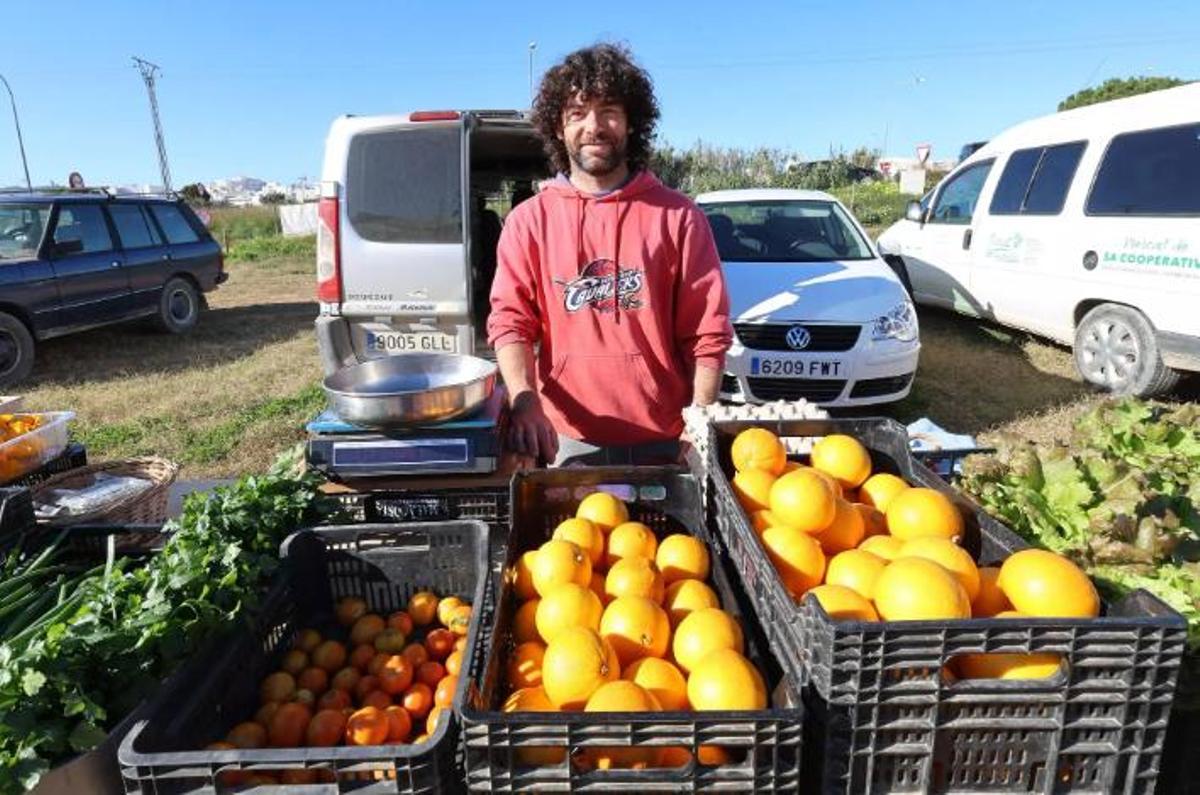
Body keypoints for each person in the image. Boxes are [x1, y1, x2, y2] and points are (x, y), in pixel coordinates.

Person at [487, 43, 732, 467]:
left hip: (667, 440)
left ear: (632, 123)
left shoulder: (678, 216)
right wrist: (524, 399)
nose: (594, 126)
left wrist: (700, 421)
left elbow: (707, 333)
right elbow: (511, 322)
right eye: (577, 113)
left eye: (609, 111)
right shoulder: (529, 221)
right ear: (558, 127)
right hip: (567, 439)